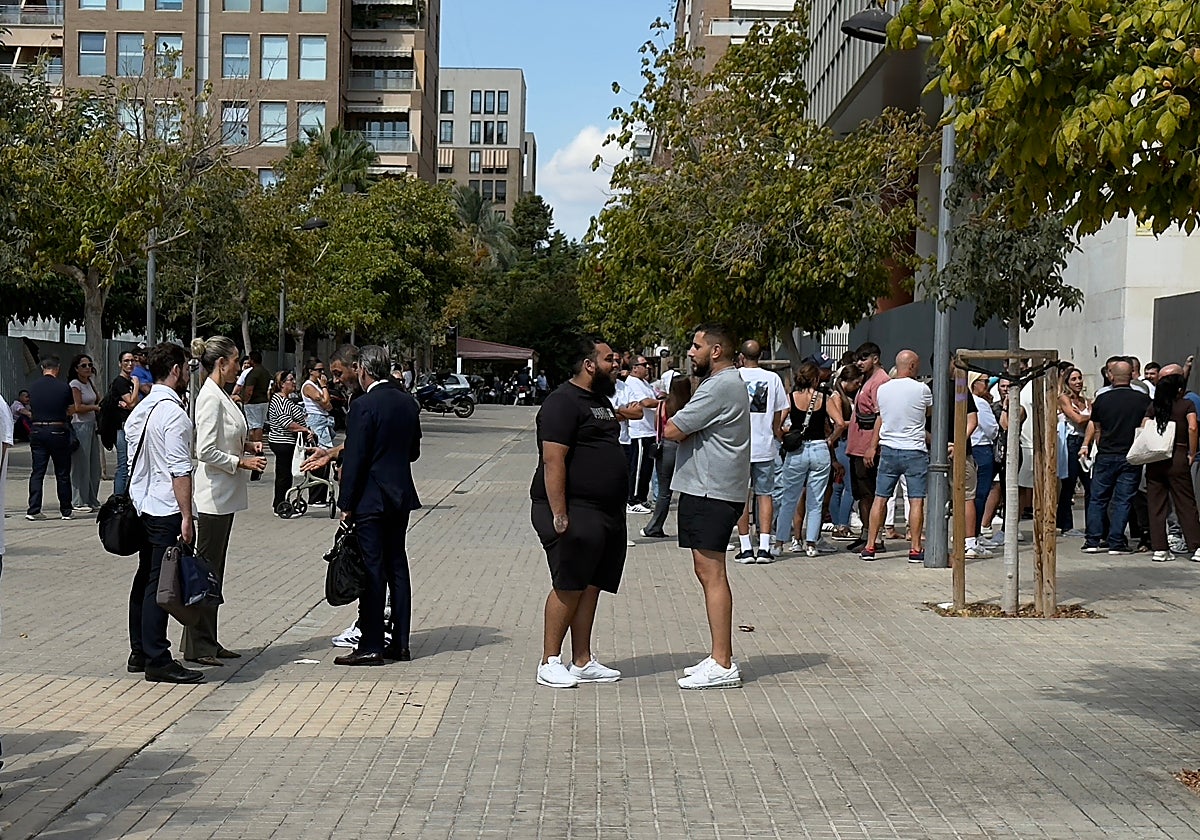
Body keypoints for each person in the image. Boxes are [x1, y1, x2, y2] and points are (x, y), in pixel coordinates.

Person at [529, 336, 627, 688]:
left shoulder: (599, 400)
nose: (615, 365)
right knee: (568, 583)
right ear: (589, 365)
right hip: (572, 509)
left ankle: (582, 660)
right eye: (608, 359)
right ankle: (549, 660)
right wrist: (559, 513)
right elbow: (553, 460)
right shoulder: (561, 402)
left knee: (591, 584)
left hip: (606, 510)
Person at [664, 323, 750, 690]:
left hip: (711, 490)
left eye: (696, 346)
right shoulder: (722, 384)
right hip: (712, 488)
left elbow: (673, 429)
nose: (690, 352)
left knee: (712, 573)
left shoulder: (719, 386)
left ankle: (723, 663)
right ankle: (717, 655)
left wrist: (674, 400)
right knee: (705, 570)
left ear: (716, 351)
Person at [335, 345, 423, 666]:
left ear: (364, 370)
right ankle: (400, 642)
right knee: (397, 565)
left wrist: (346, 503)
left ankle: (371, 642)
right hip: (399, 495)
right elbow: (413, 451)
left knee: (373, 568)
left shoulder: (363, 405)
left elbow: (356, 459)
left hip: (371, 498)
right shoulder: (408, 403)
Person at [183, 337, 266, 667]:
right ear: (221, 364)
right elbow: (203, 450)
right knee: (205, 572)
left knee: (214, 571)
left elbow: (227, 439)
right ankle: (197, 643)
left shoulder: (221, 396)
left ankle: (209, 639)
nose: (239, 368)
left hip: (225, 496)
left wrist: (246, 449)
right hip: (212, 497)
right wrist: (239, 462)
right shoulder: (209, 398)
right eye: (235, 362)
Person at [125, 342, 204, 684]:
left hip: (140, 504)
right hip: (164, 508)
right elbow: (179, 470)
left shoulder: (140, 409)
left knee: (146, 577)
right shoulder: (173, 413)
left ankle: (140, 650)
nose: (188, 374)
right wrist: (187, 516)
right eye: (186, 368)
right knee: (161, 583)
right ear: (175, 369)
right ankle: (157, 656)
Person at [862, 350, 932, 563]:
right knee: (916, 500)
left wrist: (872, 446)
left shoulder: (883, 390)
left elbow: (881, 419)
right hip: (915, 450)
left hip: (889, 449)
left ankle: (870, 545)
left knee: (880, 498)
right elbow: (928, 413)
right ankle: (915, 547)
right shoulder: (922, 389)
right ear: (911, 366)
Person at [1081, 359, 1152, 554]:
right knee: (1123, 500)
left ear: (1111, 376)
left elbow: (1097, 429)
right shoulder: (1143, 399)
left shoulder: (1102, 400)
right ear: (1132, 375)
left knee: (1097, 498)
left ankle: (1092, 540)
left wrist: (1099, 446)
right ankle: (1116, 542)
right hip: (1131, 455)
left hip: (1106, 453)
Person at [775, 361, 838, 557]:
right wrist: (830, 440)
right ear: (816, 379)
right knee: (815, 500)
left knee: (789, 499)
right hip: (819, 448)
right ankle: (811, 543)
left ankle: (779, 543)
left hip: (796, 451)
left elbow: (776, 424)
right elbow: (841, 423)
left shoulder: (790, 398)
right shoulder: (824, 398)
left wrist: (784, 437)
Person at [733, 340, 788, 562]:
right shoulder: (772, 378)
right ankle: (764, 546)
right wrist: (774, 428)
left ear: (741, 357)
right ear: (761, 355)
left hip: (739, 446)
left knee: (741, 497)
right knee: (766, 495)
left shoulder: (735, 377)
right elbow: (782, 408)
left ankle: (746, 546)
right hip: (765, 445)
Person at [1142, 365, 1200, 562]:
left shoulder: (1154, 407)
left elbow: (1143, 427)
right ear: (1179, 389)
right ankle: (1196, 545)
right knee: (1185, 502)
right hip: (1178, 453)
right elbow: (1193, 427)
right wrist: (1192, 452)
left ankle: (1160, 548)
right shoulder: (1186, 405)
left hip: (1156, 457)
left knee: (1156, 503)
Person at [845, 343, 891, 553]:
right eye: (857, 359)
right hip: (856, 446)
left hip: (868, 448)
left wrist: (872, 447)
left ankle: (876, 537)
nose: (859, 363)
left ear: (875, 358)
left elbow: (880, 417)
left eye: (864, 358)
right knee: (862, 494)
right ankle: (866, 533)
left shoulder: (881, 382)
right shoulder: (866, 380)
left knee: (871, 494)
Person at [641, 376, 693, 539]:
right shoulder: (690, 406)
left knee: (664, 491)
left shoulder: (663, 405)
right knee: (688, 491)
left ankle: (654, 526)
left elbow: (657, 425)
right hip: (685, 448)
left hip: (666, 447)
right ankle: (688, 529)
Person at [26, 356, 75, 521]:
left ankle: (33, 509)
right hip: (57, 430)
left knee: (37, 471)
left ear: (42, 368)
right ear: (58, 368)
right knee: (62, 472)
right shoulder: (63, 387)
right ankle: (66, 510)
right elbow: (70, 409)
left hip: (37, 430)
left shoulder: (33, 387)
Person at [266, 370, 314, 514]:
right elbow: (287, 423)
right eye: (290, 380)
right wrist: (304, 430)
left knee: (286, 475)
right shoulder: (279, 400)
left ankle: (284, 500)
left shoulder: (286, 400)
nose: (294, 382)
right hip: (282, 441)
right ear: (282, 384)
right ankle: (280, 503)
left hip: (288, 441)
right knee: (283, 475)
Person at [827, 365, 863, 540]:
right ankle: (841, 525)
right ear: (845, 381)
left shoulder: (846, 397)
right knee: (848, 487)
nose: (857, 386)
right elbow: (839, 423)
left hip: (845, 443)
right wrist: (858, 421)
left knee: (839, 487)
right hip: (842, 444)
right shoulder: (837, 398)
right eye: (855, 382)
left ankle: (838, 523)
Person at [1056, 366, 1092, 536]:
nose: (1078, 382)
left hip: (1086, 442)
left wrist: (1087, 417)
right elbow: (1077, 419)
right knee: (1069, 483)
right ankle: (1066, 525)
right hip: (1071, 442)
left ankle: (1092, 524)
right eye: (1074, 379)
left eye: (1079, 378)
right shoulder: (1063, 398)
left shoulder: (1086, 401)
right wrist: (1090, 416)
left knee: (1090, 485)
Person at [621, 354, 659, 513]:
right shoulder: (633, 383)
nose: (648, 367)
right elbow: (645, 402)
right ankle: (632, 499)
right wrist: (665, 403)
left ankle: (642, 498)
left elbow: (653, 398)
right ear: (635, 368)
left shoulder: (644, 383)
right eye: (644, 364)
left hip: (649, 430)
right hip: (639, 431)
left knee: (647, 468)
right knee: (637, 468)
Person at [68, 353, 102, 512]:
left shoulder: (89, 382)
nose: (87, 368)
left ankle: (91, 498)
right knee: (81, 465)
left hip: (92, 425)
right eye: (83, 366)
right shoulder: (75, 384)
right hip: (80, 426)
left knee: (94, 466)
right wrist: (94, 408)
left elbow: (97, 399)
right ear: (76, 369)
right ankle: (78, 500)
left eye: (89, 365)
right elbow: (78, 407)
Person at [301, 359, 334, 506]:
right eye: (319, 370)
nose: (322, 373)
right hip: (316, 421)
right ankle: (315, 496)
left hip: (323, 419)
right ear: (311, 371)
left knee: (326, 455)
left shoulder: (316, 386)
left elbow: (329, 405)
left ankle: (322, 495)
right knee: (319, 454)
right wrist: (324, 386)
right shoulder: (309, 386)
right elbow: (325, 402)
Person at [107, 350, 140, 496]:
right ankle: (119, 499)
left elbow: (133, 404)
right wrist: (137, 385)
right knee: (123, 465)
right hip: (121, 428)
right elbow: (132, 403)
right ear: (120, 363)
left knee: (130, 464)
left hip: (129, 427)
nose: (130, 363)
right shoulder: (121, 382)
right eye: (126, 361)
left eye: (132, 360)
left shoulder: (128, 382)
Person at [239, 350, 272, 482]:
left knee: (254, 426)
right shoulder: (265, 372)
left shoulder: (253, 373)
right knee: (258, 425)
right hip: (263, 401)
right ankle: (257, 447)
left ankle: (257, 449)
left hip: (253, 403)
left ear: (252, 360)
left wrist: (244, 400)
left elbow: (249, 390)